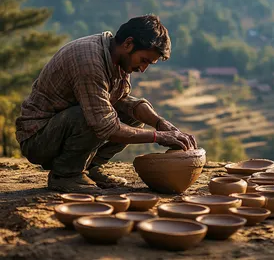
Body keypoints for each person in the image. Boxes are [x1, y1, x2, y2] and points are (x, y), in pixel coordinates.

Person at [15, 15, 197, 194]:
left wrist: (159, 123)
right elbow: (104, 125)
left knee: (133, 116)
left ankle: (90, 167)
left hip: (63, 126)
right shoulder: (89, 62)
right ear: (128, 43)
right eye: (143, 61)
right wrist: (159, 137)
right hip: (39, 138)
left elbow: (122, 101)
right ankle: (66, 174)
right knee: (89, 117)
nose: (142, 69)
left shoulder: (116, 56)